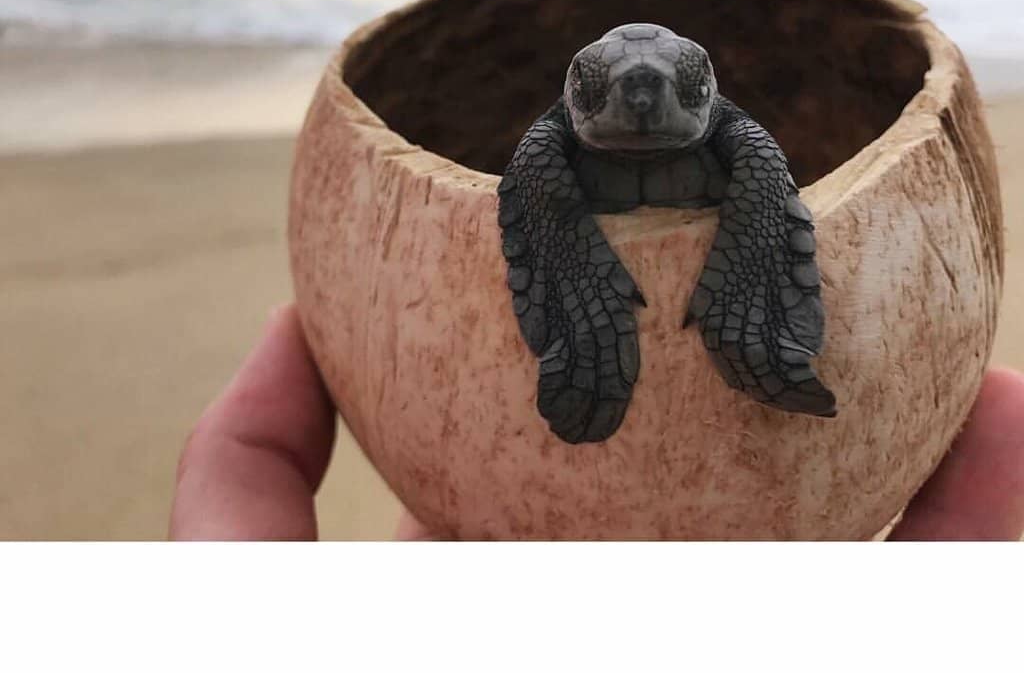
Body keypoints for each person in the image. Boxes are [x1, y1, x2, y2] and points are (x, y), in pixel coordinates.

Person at [170, 304, 1024, 541]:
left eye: (678, 87)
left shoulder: (736, 139)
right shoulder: (552, 151)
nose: (642, 103)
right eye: (601, 89)